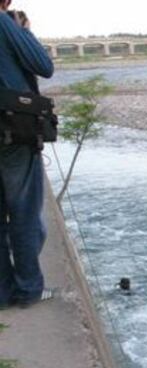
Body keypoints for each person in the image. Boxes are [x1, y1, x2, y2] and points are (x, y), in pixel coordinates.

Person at [0, 4, 54, 309]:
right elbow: (43, 66)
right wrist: (24, 30)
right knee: (23, 213)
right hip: (12, 130)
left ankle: (3, 293)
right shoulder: (5, 23)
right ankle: (29, 291)